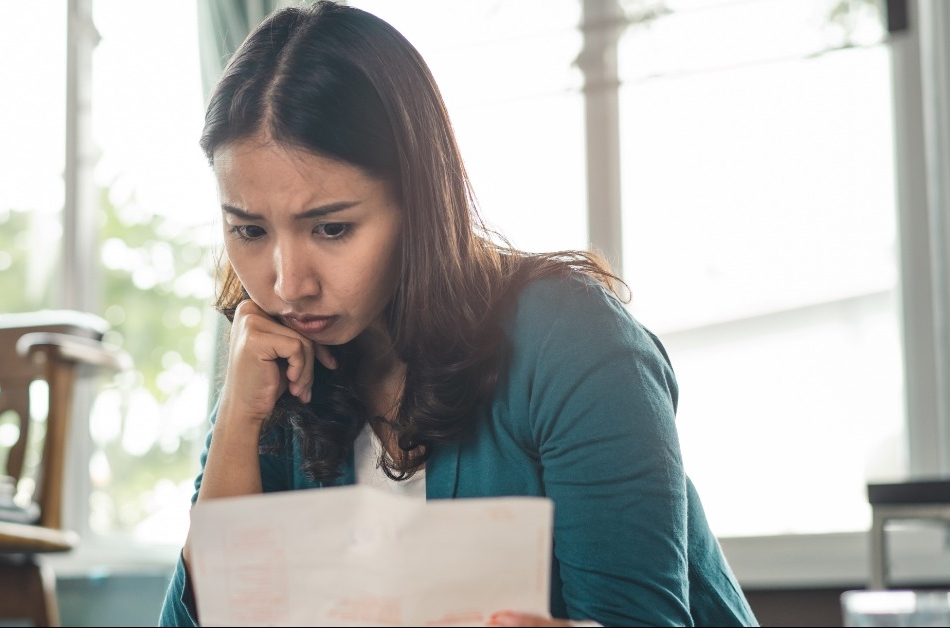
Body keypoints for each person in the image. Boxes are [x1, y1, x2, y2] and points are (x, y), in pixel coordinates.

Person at [158, 2, 758, 626]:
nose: (288, 284)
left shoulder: (575, 343)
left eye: (332, 228)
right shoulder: (278, 365)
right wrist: (236, 419)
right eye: (249, 231)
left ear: (418, 200)